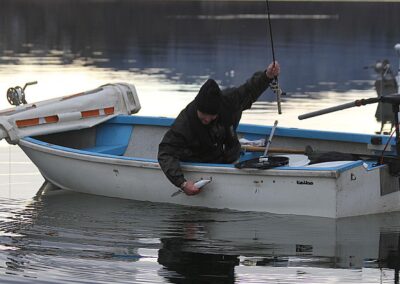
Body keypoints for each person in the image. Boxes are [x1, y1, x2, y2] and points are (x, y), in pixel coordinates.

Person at [158, 62, 281, 196]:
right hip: (199, 160)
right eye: (203, 116)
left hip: (229, 155)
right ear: (198, 108)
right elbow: (165, 152)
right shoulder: (185, 121)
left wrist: (268, 75)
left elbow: (249, 89)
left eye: (211, 116)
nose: (207, 119)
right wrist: (182, 183)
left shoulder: (229, 100)